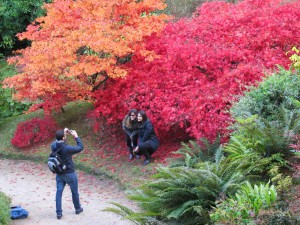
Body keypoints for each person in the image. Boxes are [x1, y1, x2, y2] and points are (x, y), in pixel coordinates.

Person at [50, 128, 84, 220]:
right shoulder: (67, 148)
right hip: (70, 173)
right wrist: (76, 136)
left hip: (59, 173)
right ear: (64, 138)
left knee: (59, 192)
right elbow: (80, 147)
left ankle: (59, 213)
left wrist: (62, 134)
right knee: (74, 191)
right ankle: (77, 208)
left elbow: (58, 141)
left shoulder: (53, 146)